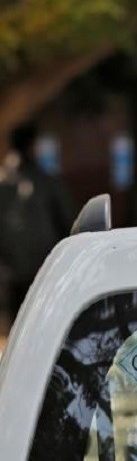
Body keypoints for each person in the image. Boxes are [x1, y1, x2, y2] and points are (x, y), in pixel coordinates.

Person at [0, 123, 74, 321]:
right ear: (32, 146)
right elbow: (67, 222)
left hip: (14, 266)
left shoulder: (4, 180)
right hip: (42, 263)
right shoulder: (46, 181)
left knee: (18, 322)